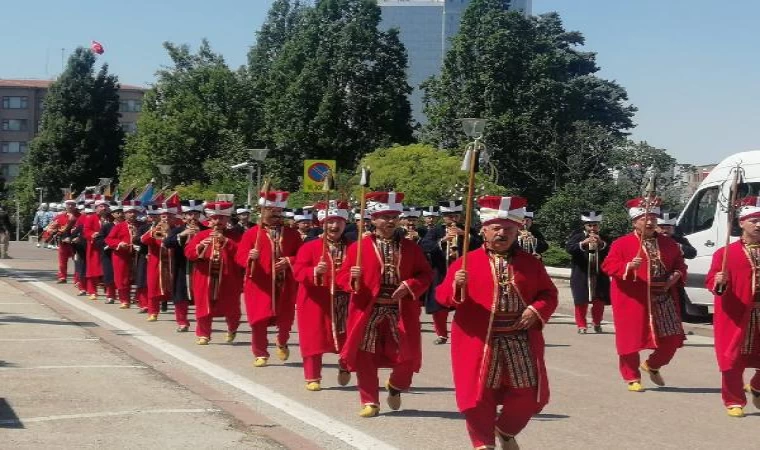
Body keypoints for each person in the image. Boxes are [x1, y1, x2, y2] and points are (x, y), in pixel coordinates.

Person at [436, 195, 558, 450]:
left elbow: (549, 294)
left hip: (519, 338)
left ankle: (505, 429)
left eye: (509, 229)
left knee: (527, 395)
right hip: (479, 340)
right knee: (479, 395)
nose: (502, 233)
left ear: (517, 231)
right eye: (496, 228)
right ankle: (483, 443)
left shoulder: (530, 264)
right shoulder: (465, 263)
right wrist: (457, 285)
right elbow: (442, 297)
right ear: (484, 230)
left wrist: (537, 310)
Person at [336, 191, 432, 418]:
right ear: (373, 219)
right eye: (384, 217)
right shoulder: (358, 247)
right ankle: (369, 400)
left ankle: (396, 386)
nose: (390, 221)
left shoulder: (411, 247)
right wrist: (353, 276)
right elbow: (340, 278)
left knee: (406, 356)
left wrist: (410, 285)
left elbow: (425, 274)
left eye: (394, 217)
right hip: (367, 309)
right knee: (364, 354)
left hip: (400, 308)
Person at [601, 197, 687, 392]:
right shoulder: (622, 243)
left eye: (653, 219)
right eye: (644, 218)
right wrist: (627, 266)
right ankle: (631, 376)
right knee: (631, 339)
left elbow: (680, 264)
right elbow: (607, 266)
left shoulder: (669, 243)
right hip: (634, 298)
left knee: (672, 338)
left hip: (663, 297)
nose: (650, 222)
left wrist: (676, 274)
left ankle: (652, 365)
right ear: (634, 222)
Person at [706, 195, 760, 417]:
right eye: (754, 220)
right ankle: (734, 399)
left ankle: (757, 385)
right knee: (732, 358)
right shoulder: (726, 253)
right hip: (737, 312)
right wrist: (718, 282)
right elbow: (710, 281)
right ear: (741, 223)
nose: (759, 225)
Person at [236, 190, 302, 367]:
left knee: (286, 319)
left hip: (285, 283)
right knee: (258, 320)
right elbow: (239, 257)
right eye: (271, 211)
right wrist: (250, 256)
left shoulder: (292, 234)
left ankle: (282, 341)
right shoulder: (251, 234)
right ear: (262, 211)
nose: (275, 216)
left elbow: (302, 256)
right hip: (259, 283)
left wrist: (289, 261)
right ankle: (260, 352)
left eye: (278, 212)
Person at [293, 200, 354, 391]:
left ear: (345, 223)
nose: (334, 226)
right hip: (316, 300)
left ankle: (345, 365)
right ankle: (312, 376)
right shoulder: (309, 247)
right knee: (314, 337)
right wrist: (314, 271)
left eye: (339, 222)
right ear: (322, 223)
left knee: (350, 336)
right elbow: (297, 271)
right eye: (330, 221)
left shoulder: (355, 247)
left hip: (345, 299)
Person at [419, 199, 481, 345]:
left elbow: (480, 245)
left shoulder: (468, 229)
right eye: (449, 215)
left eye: (456, 215)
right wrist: (443, 240)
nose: (453, 218)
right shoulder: (435, 231)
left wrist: (466, 236)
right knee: (439, 305)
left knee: (465, 303)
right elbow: (424, 246)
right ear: (443, 216)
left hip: (463, 272)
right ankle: (441, 334)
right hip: (441, 272)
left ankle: (464, 332)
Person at [185, 201, 244, 345]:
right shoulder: (201, 235)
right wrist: (199, 247)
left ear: (227, 219)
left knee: (232, 307)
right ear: (209, 220)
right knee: (203, 305)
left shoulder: (236, 236)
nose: (218, 221)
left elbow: (242, 254)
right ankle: (203, 334)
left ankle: (232, 328)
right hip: (204, 277)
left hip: (229, 278)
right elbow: (188, 253)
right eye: (215, 218)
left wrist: (227, 242)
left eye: (222, 218)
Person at [163, 199, 207, 332]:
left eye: (195, 214)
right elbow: (167, 243)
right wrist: (182, 235)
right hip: (182, 266)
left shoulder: (206, 229)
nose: (192, 217)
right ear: (184, 216)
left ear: (199, 215)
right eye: (189, 214)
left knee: (202, 295)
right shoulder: (178, 230)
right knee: (180, 294)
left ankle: (203, 323)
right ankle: (182, 322)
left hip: (202, 267)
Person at [565, 211, 611, 334]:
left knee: (599, 301)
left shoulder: (605, 237)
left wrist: (601, 244)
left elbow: (612, 251)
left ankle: (597, 323)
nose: (592, 228)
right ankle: (581, 325)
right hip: (581, 274)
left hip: (599, 274)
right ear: (585, 226)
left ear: (598, 226)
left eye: (595, 225)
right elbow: (569, 249)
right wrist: (583, 243)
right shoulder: (577, 236)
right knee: (581, 300)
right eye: (589, 225)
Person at [140, 194, 180, 322]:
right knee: (153, 287)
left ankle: (179, 315)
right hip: (156, 263)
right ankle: (153, 312)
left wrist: (169, 233)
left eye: (169, 216)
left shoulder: (179, 230)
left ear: (174, 218)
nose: (166, 219)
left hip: (174, 263)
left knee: (176, 289)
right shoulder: (154, 228)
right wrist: (153, 231)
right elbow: (143, 240)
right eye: (163, 216)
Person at [105, 200, 142, 308]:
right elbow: (109, 239)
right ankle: (124, 300)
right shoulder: (119, 226)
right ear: (125, 214)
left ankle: (139, 299)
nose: (132, 214)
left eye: (134, 212)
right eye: (130, 212)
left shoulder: (142, 225)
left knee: (139, 278)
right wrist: (119, 243)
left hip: (138, 255)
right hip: (121, 255)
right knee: (121, 278)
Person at [82, 196, 113, 301]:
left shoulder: (111, 218)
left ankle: (110, 292)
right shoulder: (91, 218)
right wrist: (93, 234)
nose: (103, 208)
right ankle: (92, 291)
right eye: (101, 206)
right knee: (92, 270)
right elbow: (86, 231)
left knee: (108, 270)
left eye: (105, 206)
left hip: (108, 247)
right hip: (94, 247)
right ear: (96, 208)